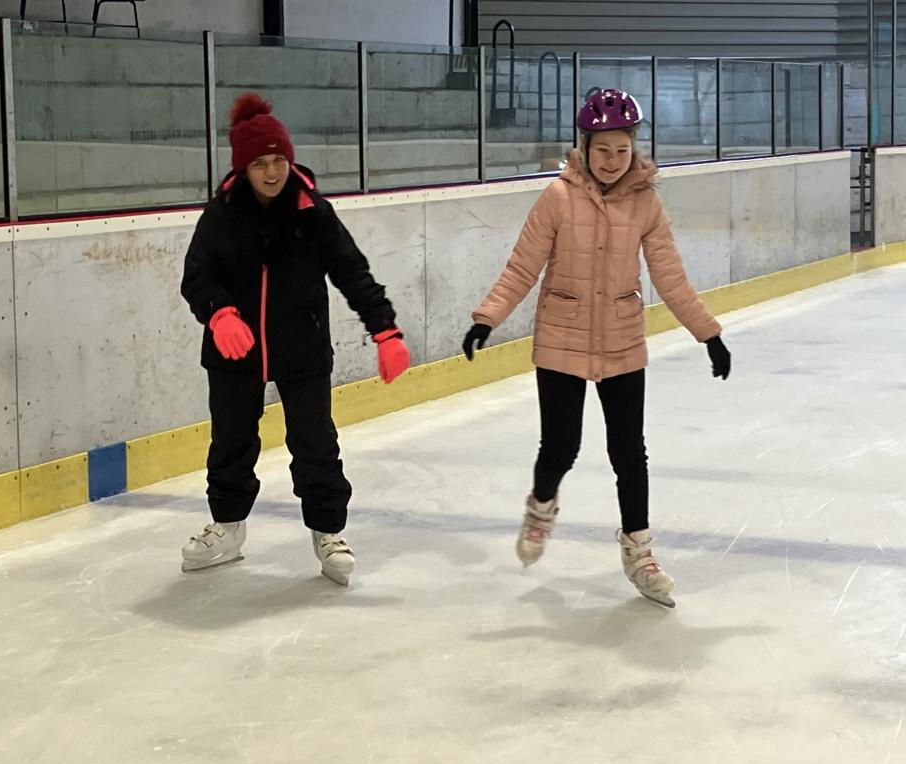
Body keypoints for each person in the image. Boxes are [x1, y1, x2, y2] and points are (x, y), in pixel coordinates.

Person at [462, 88, 732, 607]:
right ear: (584, 148)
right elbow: (523, 266)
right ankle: (541, 506)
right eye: (603, 150)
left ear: (634, 149)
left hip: (621, 337)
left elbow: (670, 275)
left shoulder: (646, 202)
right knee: (560, 447)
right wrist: (487, 317)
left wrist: (708, 333)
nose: (612, 160)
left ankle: (639, 551)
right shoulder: (558, 198)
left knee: (629, 452)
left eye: (622, 150)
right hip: (561, 335)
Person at [179, 93, 410, 585]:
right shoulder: (221, 214)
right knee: (231, 443)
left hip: (302, 347)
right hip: (234, 352)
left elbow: (352, 272)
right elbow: (196, 276)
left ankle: (328, 532)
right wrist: (219, 313)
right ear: (243, 168)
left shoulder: (312, 212)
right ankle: (227, 527)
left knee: (315, 444)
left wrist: (385, 330)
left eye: (278, 160)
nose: (271, 172)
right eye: (260, 163)